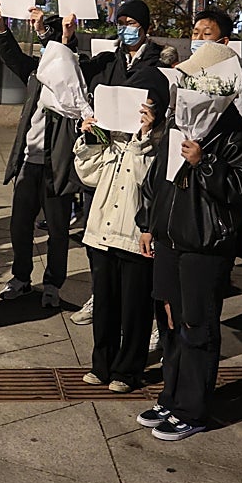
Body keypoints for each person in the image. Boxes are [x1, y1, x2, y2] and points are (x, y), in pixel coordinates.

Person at [135, 65, 242, 440]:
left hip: (205, 244)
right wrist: (146, 223)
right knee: (169, 320)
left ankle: (193, 408)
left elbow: (239, 188)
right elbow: (157, 178)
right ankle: (170, 396)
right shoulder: (178, 124)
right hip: (169, 239)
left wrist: (204, 162)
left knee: (196, 324)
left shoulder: (235, 133)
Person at [0, 2, 83, 307]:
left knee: (57, 230)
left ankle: (53, 284)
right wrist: (1, 28)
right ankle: (21, 277)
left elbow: (64, 56)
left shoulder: (74, 79)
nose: (46, 53)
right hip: (30, 162)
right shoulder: (36, 74)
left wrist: (62, 35)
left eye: (51, 46)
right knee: (20, 224)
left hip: (57, 167)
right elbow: (13, 57)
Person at [74, 97, 160, 393]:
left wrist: (143, 138)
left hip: (135, 235)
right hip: (102, 231)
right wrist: (89, 137)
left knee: (135, 308)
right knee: (105, 305)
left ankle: (128, 370)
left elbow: (145, 179)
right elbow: (88, 174)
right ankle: (102, 364)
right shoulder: (110, 139)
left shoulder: (158, 141)